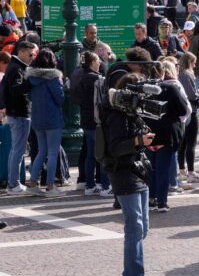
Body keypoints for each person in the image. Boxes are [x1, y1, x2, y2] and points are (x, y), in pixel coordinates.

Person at [104, 73, 156, 276]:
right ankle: (134, 273)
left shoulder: (132, 112)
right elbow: (116, 147)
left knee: (142, 229)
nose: (144, 99)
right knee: (135, 228)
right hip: (123, 172)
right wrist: (137, 141)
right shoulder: (116, 114)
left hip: (138, 170)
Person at [144, 61, 191, 213]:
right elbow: (184, 109)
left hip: (147, 134)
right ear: (162, 73)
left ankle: (151, 198)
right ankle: (162, 202)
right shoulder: (170, 88)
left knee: (150, 168)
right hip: (166, 134)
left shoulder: (142, 88)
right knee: (163, 168)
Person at [25, 48, 65, 197]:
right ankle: (50, 186)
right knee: (53, 153)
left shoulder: (31, 78)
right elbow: (60, 98)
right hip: (52, 118)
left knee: (41, 152)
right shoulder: (53, 78)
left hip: (37, 118)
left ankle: (33, 183)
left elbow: (29, 96)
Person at [71, 51, 112, 197]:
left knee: (90, 154)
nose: (99, 62)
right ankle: (106, 186)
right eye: (96, 60)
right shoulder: (97, 79)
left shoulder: (78, 75)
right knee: (103, 153)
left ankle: (90, 185)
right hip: (97, 120)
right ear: (90, 63)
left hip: (85, 119)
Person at [4, 41, 37, 195]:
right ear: (22, 52)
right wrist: (30, 82)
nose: (32, 57)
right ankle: (13, 184)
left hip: (16, 112)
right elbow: (15, 89)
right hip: (19, 113)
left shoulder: (14, 66)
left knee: (15, 150)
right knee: (18, 150)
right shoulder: (17, 68)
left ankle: (13, 183)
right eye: (30, 54)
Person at [177, 53, 199, 183]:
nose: (195, 65)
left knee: (182, 143)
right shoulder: (186, 74)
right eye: (194, 62)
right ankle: (191, 172)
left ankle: (182, 170)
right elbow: (192, 95)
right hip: (191, 111)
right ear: (189, 62)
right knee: (191, 143)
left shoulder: (179, 73)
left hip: (181, 112)